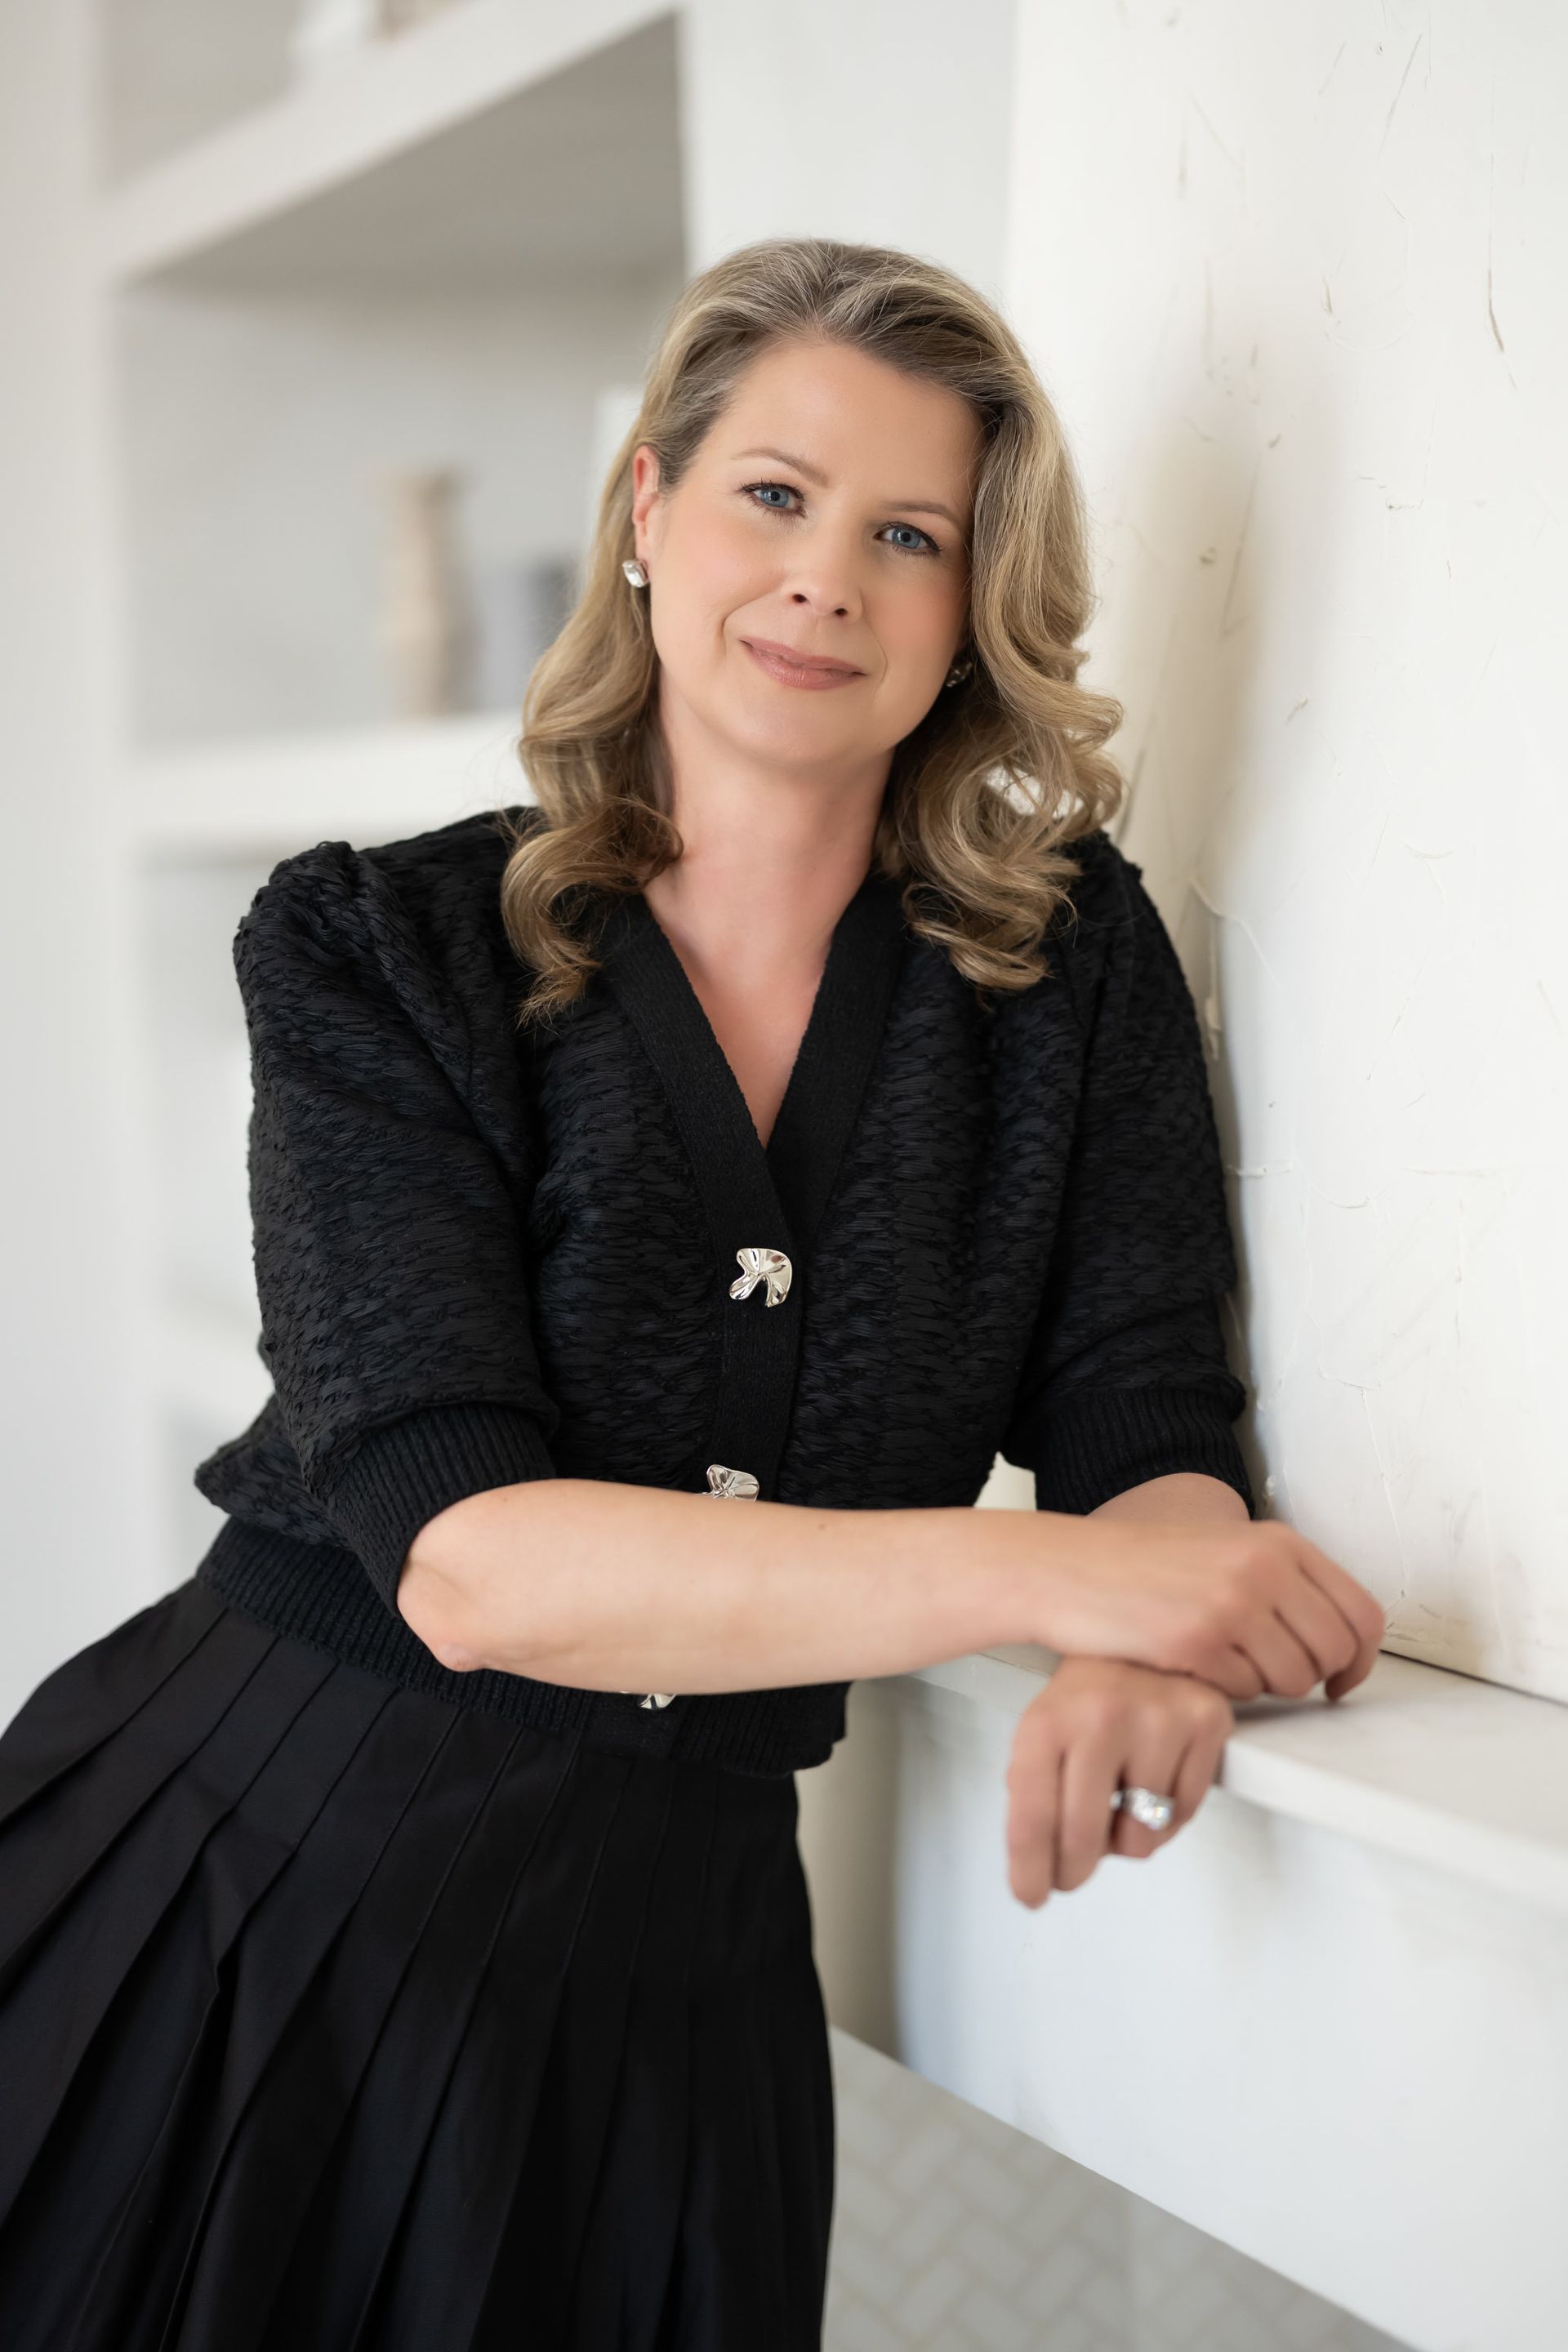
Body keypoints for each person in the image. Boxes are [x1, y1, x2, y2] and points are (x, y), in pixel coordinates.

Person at [0, 236, 1383, 2351]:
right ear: (647, 513)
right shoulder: (380, 948)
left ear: (968, 610)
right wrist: (1055, 1588)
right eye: (774, 495)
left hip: (675, 1991)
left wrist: (1155, 1629)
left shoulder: (1062, 965)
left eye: (907, 533)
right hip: (242, 1900)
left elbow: (1144, 1419)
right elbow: (467, 1561)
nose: (828, 575)